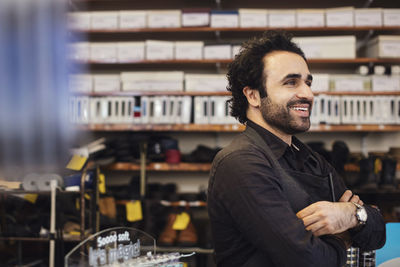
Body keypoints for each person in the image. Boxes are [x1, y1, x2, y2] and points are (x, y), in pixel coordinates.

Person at [207, 31, 386, 267]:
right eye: (291, 82)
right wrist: (343, 237)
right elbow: (307, 260)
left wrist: (351, 215)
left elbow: (378, 233)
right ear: (253, 95)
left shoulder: (312, 160)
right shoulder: (240, 162)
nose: (308, 94)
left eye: (308, 82)